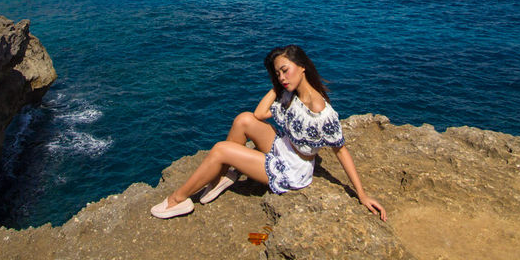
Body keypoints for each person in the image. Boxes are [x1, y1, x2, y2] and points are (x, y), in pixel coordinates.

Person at [151, 44, 387, 221]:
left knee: (221, 149)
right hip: (283, 147)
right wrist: (279, 86)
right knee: (243, 119)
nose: (282, 78)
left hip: (292, 169)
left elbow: (341, 151)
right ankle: (224, 175)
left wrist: (362, 194)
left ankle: (178, 200)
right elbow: (260, 113)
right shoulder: (291, 93)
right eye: (278, 74)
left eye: (285, 71)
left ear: (302, 67)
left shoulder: (321, 111)